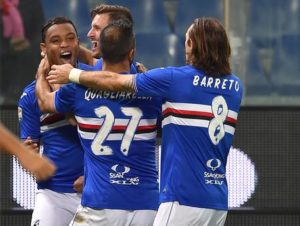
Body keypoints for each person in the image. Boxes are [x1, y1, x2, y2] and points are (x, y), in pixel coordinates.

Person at [47, 17, 243, 226]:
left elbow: (116, 81)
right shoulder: (236, 87)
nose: (185, 49)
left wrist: (74, 73)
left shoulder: (174, 79)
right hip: (217, 201)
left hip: (182, 197)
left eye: (186, 42)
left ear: (193, 45)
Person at [36, 19, 161, 226]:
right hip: (147, 207)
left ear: (100, 51)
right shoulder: (153, 89)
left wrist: (41, 74)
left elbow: (44, 102)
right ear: (132, 53)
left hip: (100, 205)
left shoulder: (76, 91)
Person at [18, 16, 84, 226]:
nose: (64, 44)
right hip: (54, 195)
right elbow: (30, 151)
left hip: (98, 193)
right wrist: (28, 154)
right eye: (56, 41)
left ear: (78, 43)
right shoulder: (30, 96)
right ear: (43, 49)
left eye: (70, 38)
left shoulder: (95, 81)